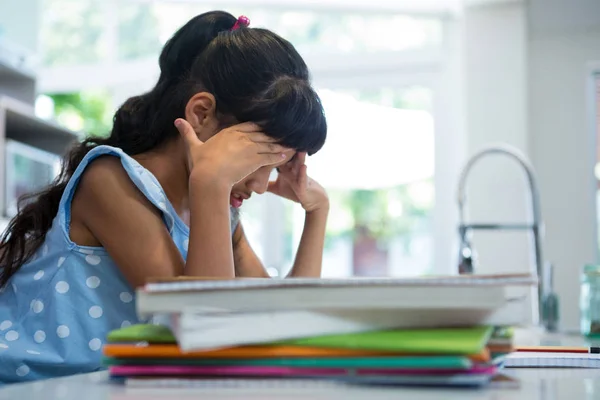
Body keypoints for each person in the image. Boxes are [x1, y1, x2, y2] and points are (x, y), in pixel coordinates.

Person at [0, 11, 328, 383]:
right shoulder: (111, 180)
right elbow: (202, 332)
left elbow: (280, 324)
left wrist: (317, 212)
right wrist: (211, 182)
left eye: (276, 165)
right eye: (257, 158)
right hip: (27, 387)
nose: (259, 184)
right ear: (201, 114)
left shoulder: (219, 212)